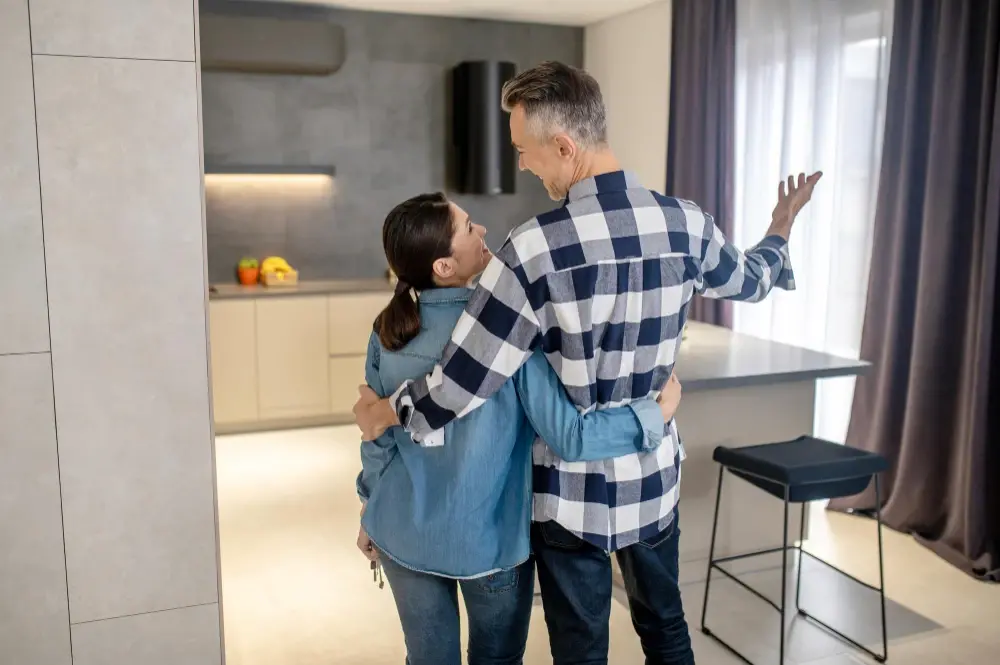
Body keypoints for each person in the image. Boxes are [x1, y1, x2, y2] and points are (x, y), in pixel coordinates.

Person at [354, 61, 822, 665]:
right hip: (651, 478)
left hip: (567, 497)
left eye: (524, 151)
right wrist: (780, 228)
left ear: (564, 146)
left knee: (580, 651)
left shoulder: (530, 249)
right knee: (667, 630)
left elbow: (460, 383)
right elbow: (754, 281)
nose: (524, 165)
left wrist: (387, 412)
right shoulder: (689, 224)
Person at [356, 191, 684, 665]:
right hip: (490, 545)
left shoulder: (387, 329)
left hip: (399, 532)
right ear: (444, 266)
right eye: (469, 227)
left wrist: (368, 507)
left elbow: (376, 437)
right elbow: (571, 437)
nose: (483, 230)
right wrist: (654, 416)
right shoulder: (508, 332)